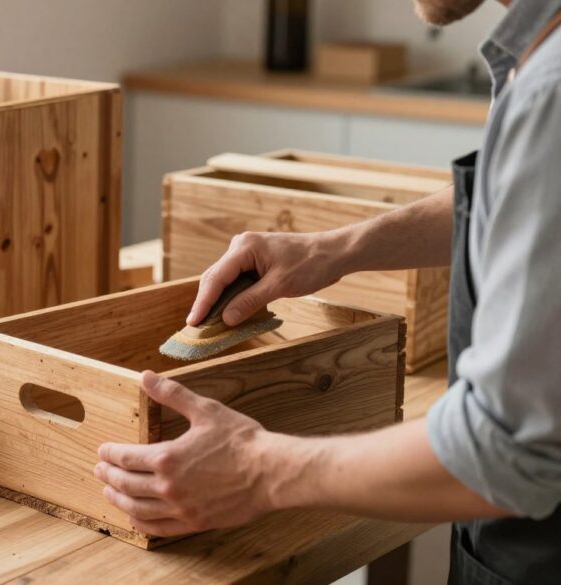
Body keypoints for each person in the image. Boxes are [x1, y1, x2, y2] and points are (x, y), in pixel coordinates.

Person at [94, 0, 561, 583]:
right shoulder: (539, 56)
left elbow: (502, 451)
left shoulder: (550, 89)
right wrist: (335, 249)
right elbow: (523, 203)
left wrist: (258, 471)